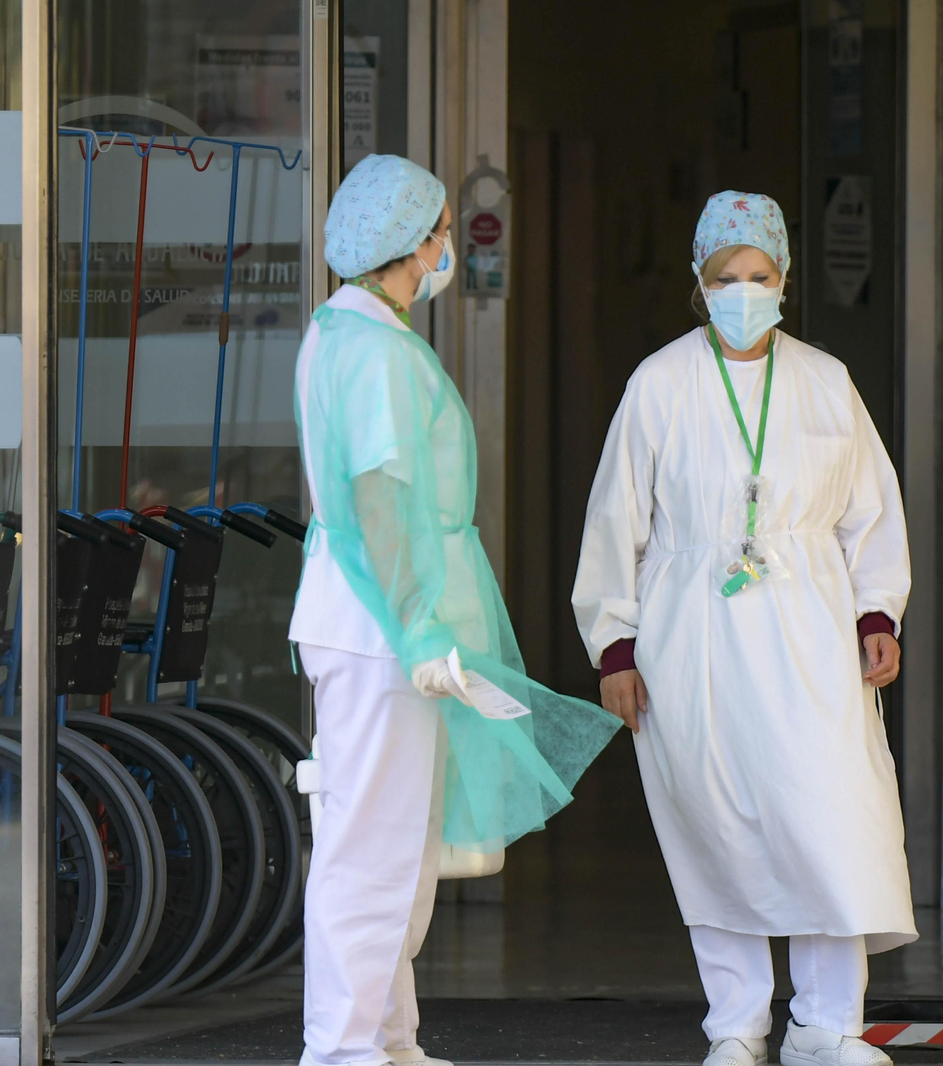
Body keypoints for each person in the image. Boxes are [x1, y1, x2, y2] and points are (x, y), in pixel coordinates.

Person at [571, 191, 915, 1066]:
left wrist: (877, 610)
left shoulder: (825, 381)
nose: (744, 290)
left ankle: (827, 1026)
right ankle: (737, 1025)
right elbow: (618, 522)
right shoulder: (659, 382)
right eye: (727, 277)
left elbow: (869, 512)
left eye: (759, 275)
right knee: (716, 825)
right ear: (699, 281)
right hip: (695, 636)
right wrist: (614, 645)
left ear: (785, 278)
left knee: (831, 818)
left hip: (811, 631)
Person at [291, 154, 617, 1066]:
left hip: (372, 623)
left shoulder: (346, 332)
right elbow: (383, 498)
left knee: (395, 850)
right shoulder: (374, 350)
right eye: (440, 232)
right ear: (409, 242)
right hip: (379, 629)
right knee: (372, 851)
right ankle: (346, 1050)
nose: (446, 247)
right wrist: (421, 628)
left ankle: (389, 1042)